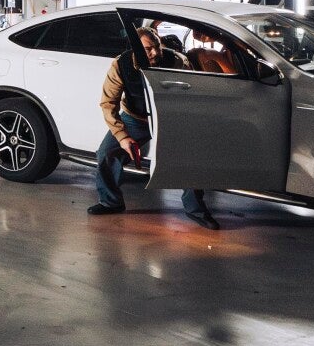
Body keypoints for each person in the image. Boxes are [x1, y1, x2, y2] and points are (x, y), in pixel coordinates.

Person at [91, 26, 221, 230]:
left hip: (170, 118)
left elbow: (193, 96)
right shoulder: (120, 64)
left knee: (190, 156)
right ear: (135, 49)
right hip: (136, 119)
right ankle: (110, 202)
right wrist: (122, 137)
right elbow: (108, 103)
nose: (155, 52)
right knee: (106, 153)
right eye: (148, 49)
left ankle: (196, 210)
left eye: (157, 47)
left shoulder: (177, 61)